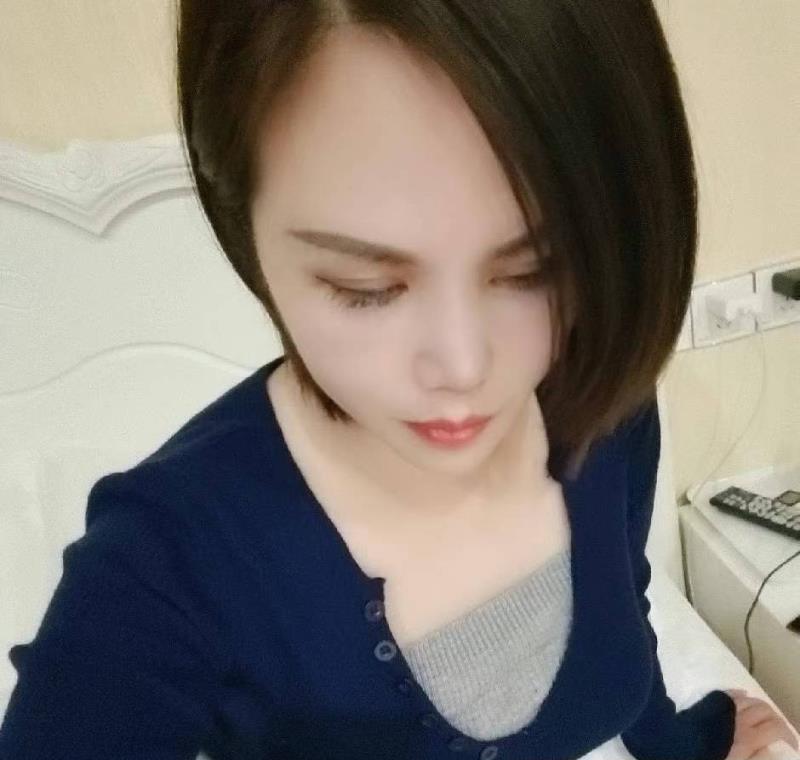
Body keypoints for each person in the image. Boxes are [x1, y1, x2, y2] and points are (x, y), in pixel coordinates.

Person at [1, 2, 797, 759]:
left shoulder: (602, 409)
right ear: (245, 228)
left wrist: (680, 743)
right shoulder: (163, 570)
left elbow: (629, 602)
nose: (464, 369)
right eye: (366, 289)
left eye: (535, 271)